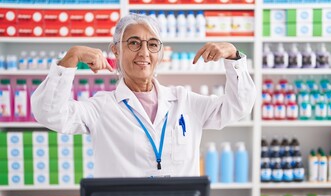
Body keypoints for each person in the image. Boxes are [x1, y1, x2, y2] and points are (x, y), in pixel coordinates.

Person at [31, 13, 256, 178]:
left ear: (160, 53)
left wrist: (234, 57)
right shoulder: (100, 108)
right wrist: (71, 58)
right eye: (134, 43)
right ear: (116, 50)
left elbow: (239, 106)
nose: (144, 52)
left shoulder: (185, 102)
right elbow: (48, 113)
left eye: (153, 44)